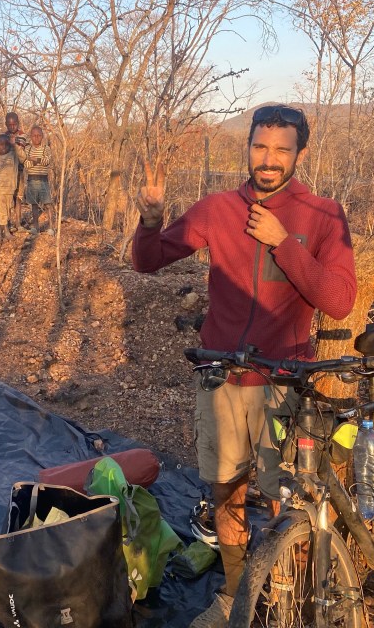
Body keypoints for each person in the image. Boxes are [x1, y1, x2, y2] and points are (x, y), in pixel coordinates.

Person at [131, 104, 356, 627]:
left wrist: (283, 243)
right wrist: (149, 222)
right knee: (226, 490)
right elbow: (149, 260)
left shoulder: (323, 214)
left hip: (285, 382)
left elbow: (340, 300)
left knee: (287, 500)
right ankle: (236, 594)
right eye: (260, 146)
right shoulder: (218, 209)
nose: (269, 159)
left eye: (282, 149)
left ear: (300, 152)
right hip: (223, 376)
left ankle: (286, 595)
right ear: (248, 146)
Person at [0, 112, 28, 228]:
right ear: (6, 124)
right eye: (9, 125)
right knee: (7, 200)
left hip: (19, 172)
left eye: (14, 124)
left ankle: (18, 224)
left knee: (18, 198)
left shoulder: (23, 136)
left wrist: (13, 144)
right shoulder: (3, 136)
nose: (12, 127)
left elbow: (24, 155)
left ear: (18, 123)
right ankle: (7, 224)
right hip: (6, 174)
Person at [16, 125, 55, 236]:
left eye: (39, 135)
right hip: (32, 180)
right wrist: (39, 160)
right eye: (34, 136)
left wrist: (34, 159)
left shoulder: (46, 148)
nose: (36, 138)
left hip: (44, 180)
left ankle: (51, 227)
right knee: (34, 205)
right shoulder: (27, 149)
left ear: (42, 136)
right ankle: (36, 227)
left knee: (48, 204)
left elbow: (47, 161)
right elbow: (26, 164)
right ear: (31, 137)